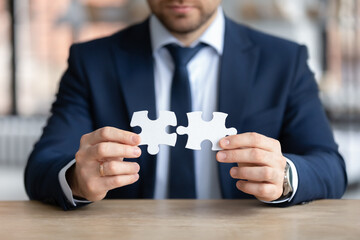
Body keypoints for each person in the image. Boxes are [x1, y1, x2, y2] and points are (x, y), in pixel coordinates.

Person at [25, 0, 347, 210]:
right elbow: (42, 167)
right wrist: (76, 181)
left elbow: (330, 168)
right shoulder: (91, 62)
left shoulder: (284, 61)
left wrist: (286, 176)